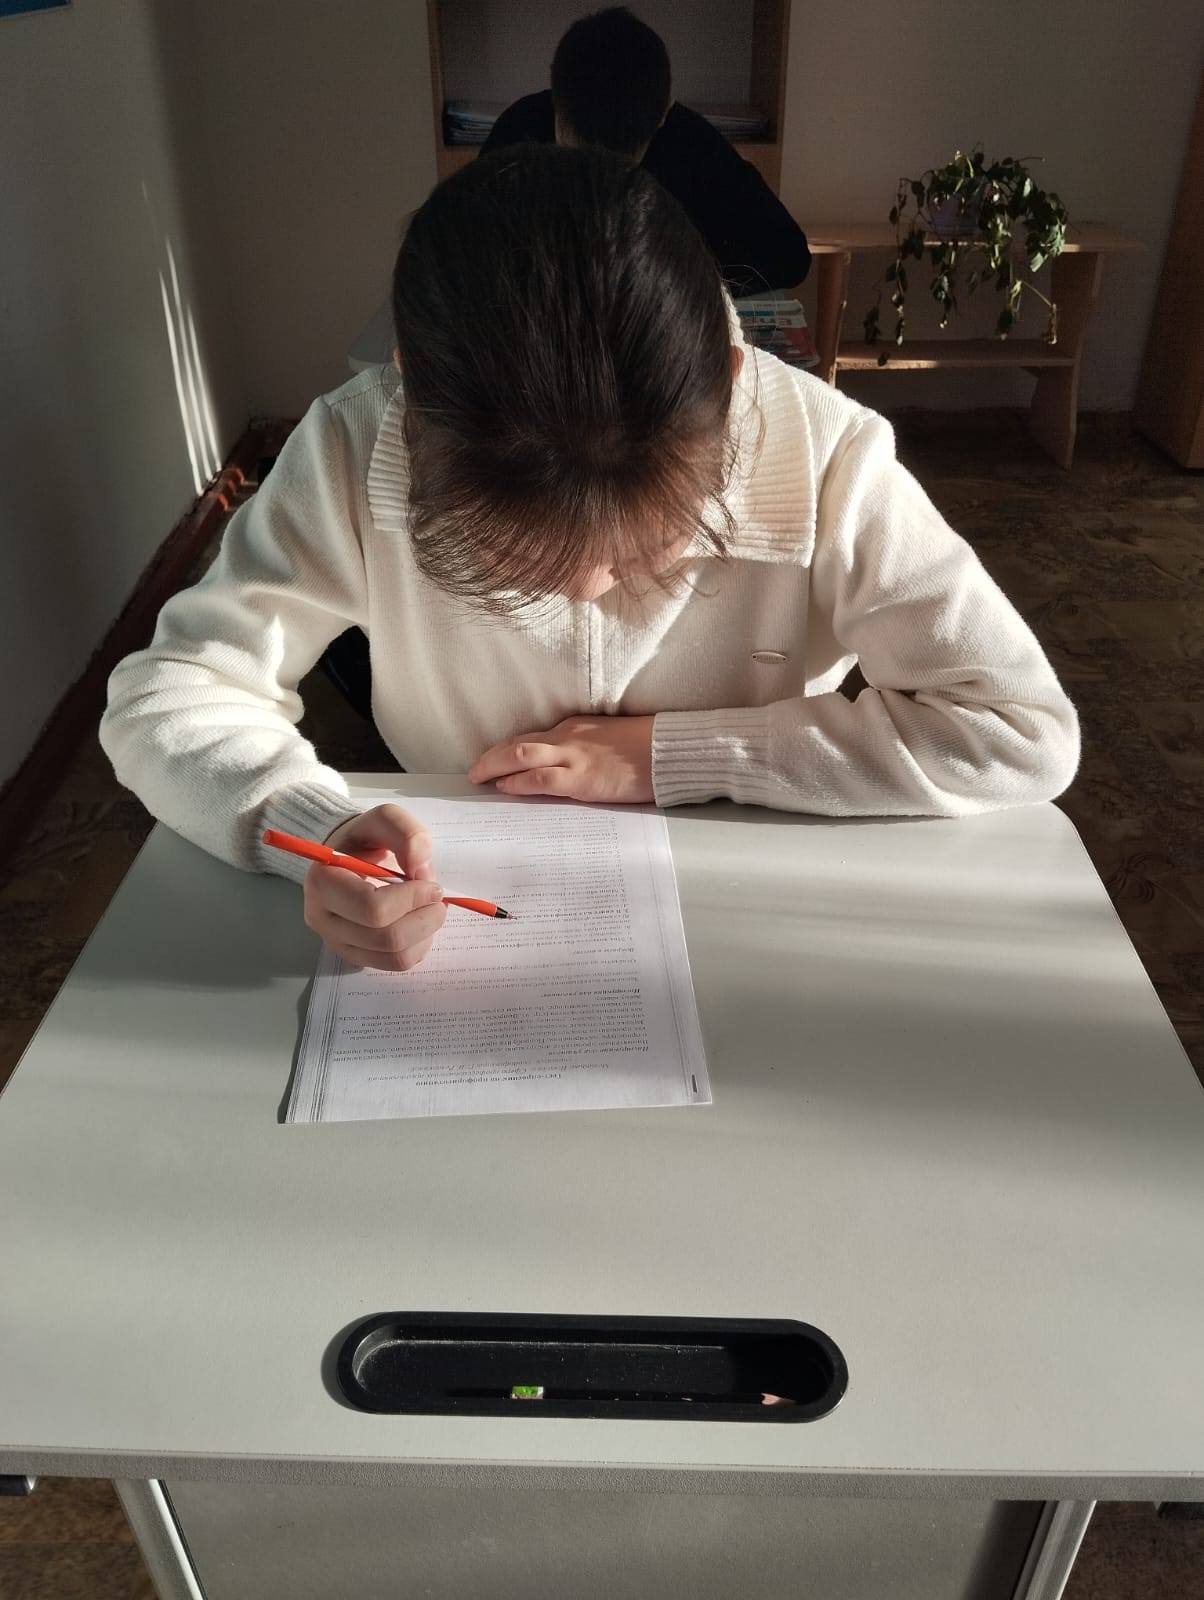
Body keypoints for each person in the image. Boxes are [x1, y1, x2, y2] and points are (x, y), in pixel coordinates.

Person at [101, 145, 1078, 974]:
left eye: (650, 546)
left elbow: (1019, 728)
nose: (586, 587)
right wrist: (311, 828)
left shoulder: (825, 455)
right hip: (475, 903)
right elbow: (170, 696)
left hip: (762, 895)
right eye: (516, 557)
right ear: (410, 396)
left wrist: (674, 754)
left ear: (730, 386)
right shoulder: (358, 444)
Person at [480, 6, 811, 296]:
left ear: (663, 116)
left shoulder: (690, 144)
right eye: (582, 159)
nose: (601, 180)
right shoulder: (518, 139)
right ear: (556, 105)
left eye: (622, 163)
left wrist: (676, 281)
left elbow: (787, 254)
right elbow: (463, 252)